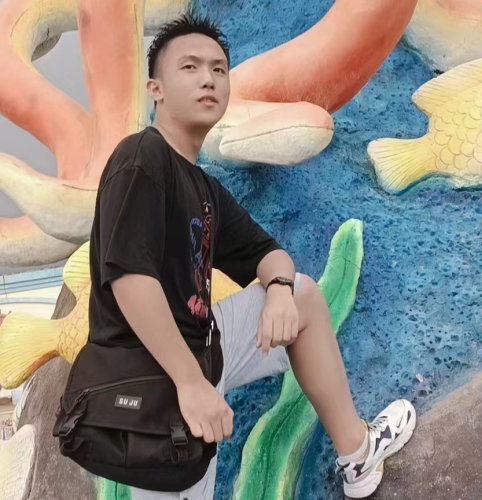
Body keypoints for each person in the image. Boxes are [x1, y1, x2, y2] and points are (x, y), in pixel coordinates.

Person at [88, 11, 416, 500]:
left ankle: (357, 452)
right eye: (190, 67)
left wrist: (279, 292)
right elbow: (130, 279)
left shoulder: (203, 188)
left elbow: (269, 254)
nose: (208, 79)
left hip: (201, 351)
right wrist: (191, 384)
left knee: (302, 296)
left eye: (219, 69)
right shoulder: (141, 157)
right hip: (147, 379)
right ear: (156, 89)